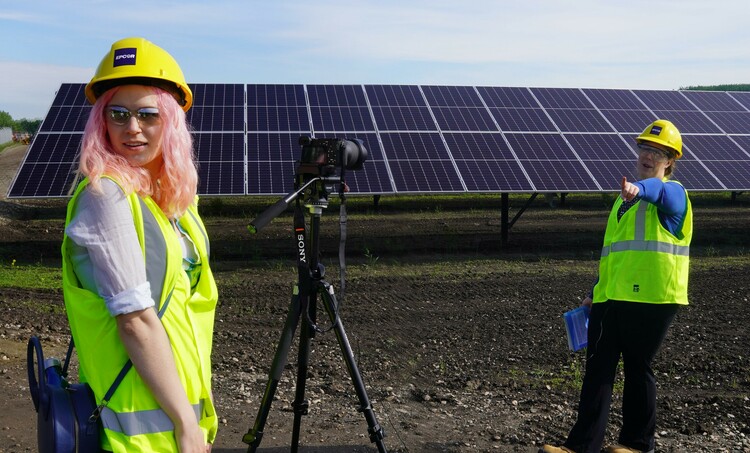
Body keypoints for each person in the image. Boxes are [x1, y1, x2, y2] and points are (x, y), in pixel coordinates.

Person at [61, 37, 218, 452]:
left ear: (169, 120)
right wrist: (185, 422)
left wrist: (189, 417)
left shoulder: (168, 201)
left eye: (147, 114)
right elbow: (135, 320)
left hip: (174, 415)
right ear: (102, 121)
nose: (132, 127)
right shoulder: (106, 197)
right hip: (142, 433)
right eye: (119, 114)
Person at [540, 119, 692, 453]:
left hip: (652, 298)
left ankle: (637, 445)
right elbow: (616, 255)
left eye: (658, 152)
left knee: (638, 368)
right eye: (645, 149)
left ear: (670, 161)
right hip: (612, 298)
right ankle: (581, 446)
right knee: (598, 370)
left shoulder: (674, 194)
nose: (648, 156)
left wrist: (641, 189)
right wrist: (596, 291)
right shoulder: (622, 201)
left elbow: (659, 191)